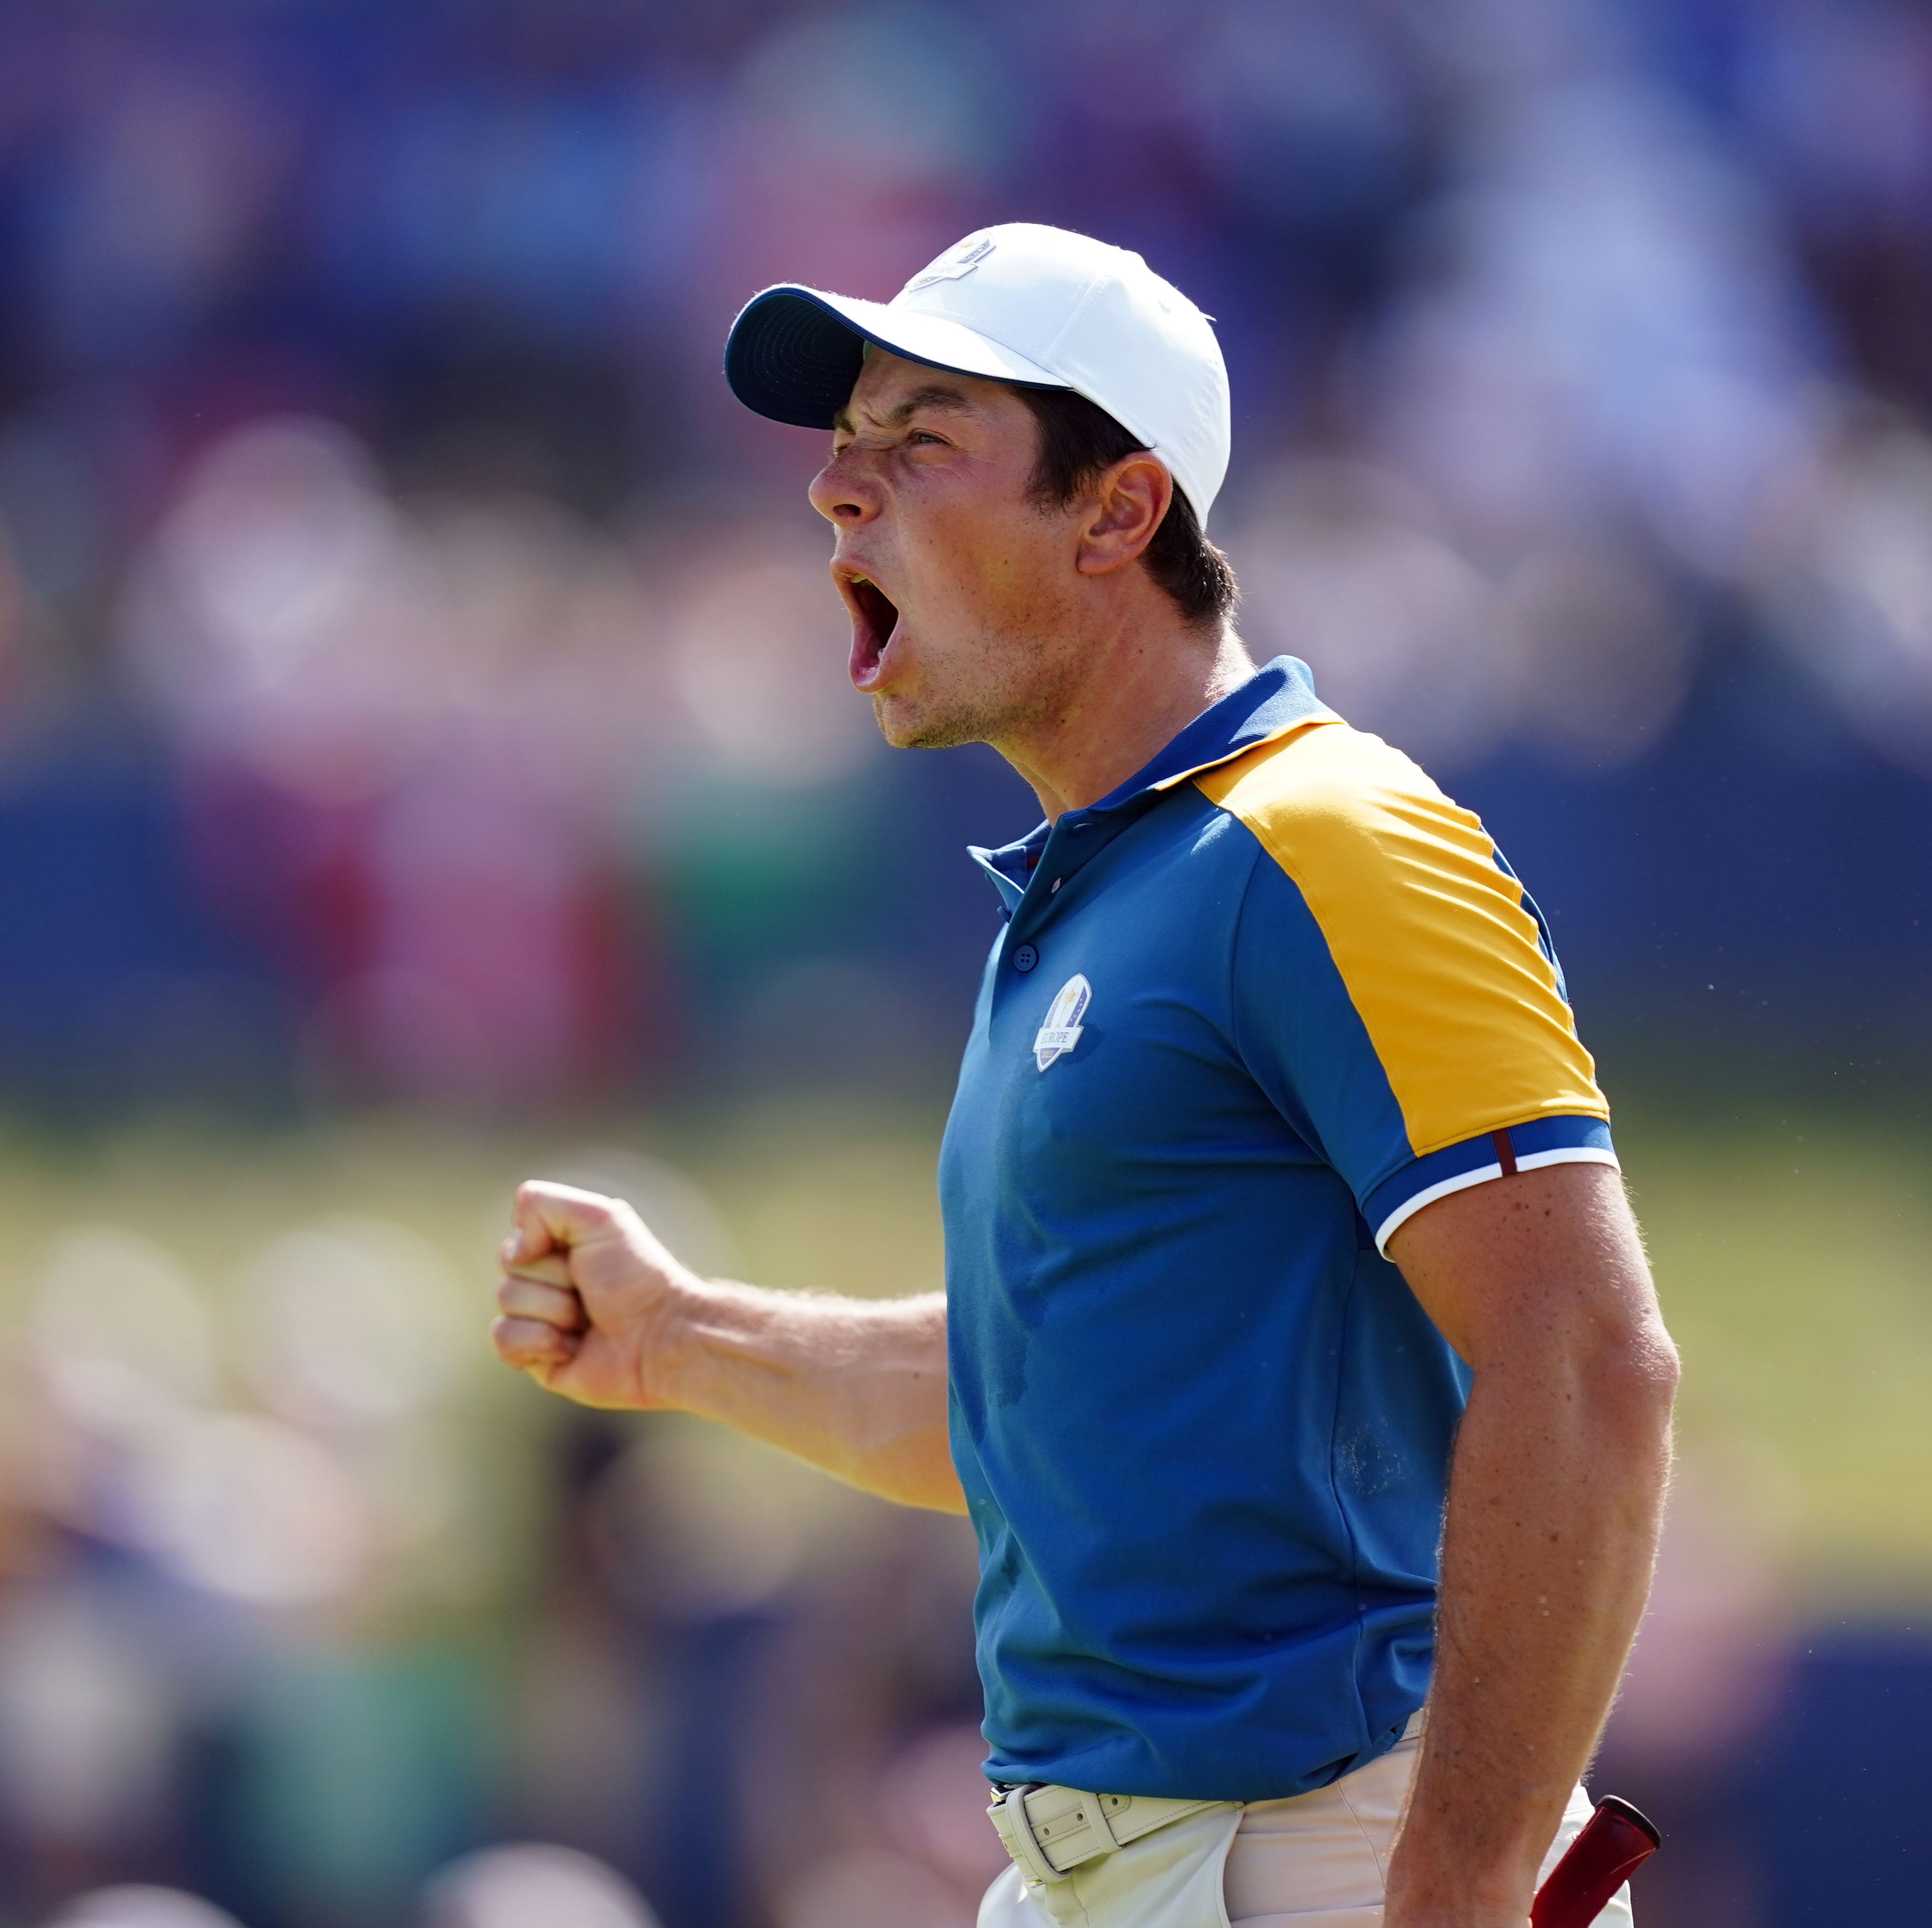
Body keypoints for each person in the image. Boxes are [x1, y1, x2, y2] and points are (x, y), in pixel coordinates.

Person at [495, 224, 1677, 1928]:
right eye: (842, 446)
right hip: (1128, 1875)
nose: (838, 491)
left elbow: (1585, 1358)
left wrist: (1462, 1889)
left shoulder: (1324, 838)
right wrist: (682, 1334)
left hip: (1329, 1862)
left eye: (921, 440)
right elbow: (1042, 1403)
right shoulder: (1104, 894)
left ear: (1117, 513)